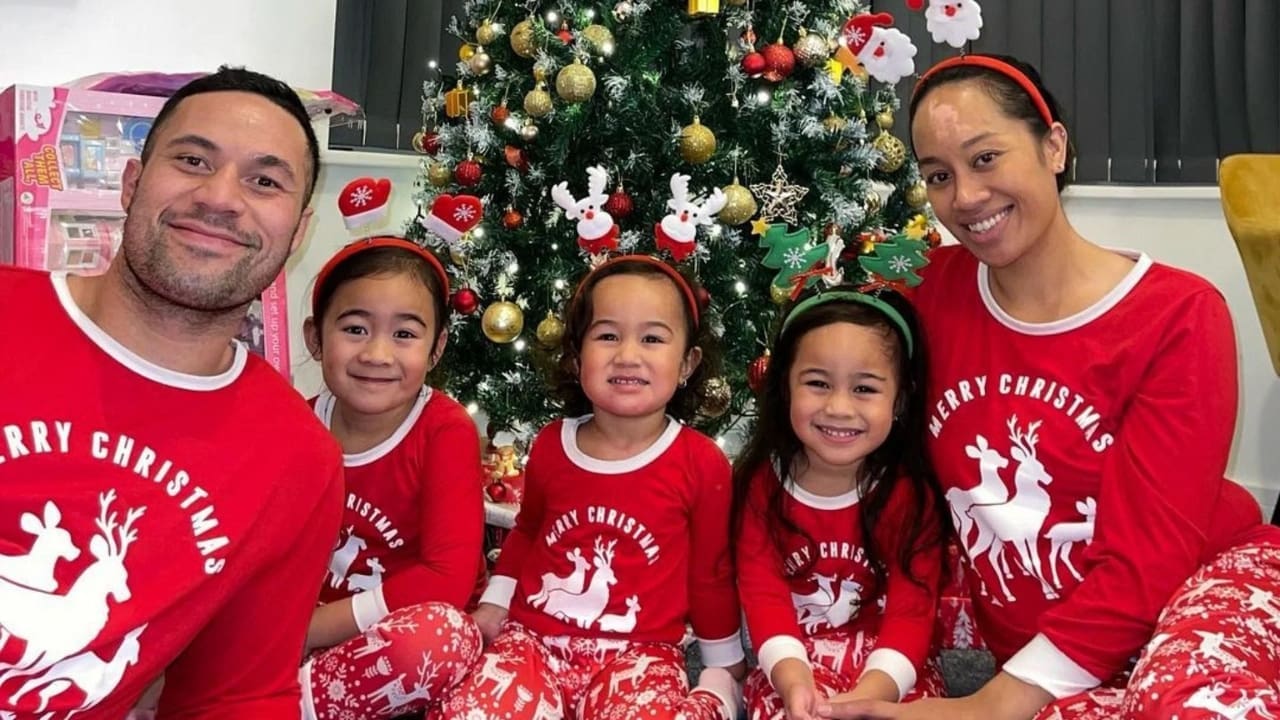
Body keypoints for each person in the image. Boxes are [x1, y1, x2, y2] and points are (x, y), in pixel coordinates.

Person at [820, 53, 1280, 720]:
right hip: (1036, 629)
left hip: (1191, 587)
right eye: (939, 176)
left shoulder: (1179, 315)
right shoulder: (925, 292)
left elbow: (1148, 561)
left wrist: (988, 705)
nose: (965, 197)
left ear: (1054, 147)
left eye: (986, 158)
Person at [0, 67, 344, 717]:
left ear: (297, 232)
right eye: (192, 160)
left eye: (264, 181)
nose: (220, 197)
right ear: (132, 183)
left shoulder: (297, 460)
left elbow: (235, 697)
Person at [443, 255, 746, 720]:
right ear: (576, 357)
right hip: (532, 642)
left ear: (687, 363)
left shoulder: (701, 462)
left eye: (652, 338)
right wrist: (494, 605)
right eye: (607, 336)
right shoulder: (552, 444)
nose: (628, 355)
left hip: (641, 654)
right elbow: (527, 532)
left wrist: (724, 659)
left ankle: (715, 698)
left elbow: (711, 571)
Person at [732, 285, 949, 720]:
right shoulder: (760, 487)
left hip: (891, 667)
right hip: (794, 661)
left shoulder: (909, 495)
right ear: (784, 386)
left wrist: (872, 693)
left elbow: (912, 612)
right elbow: (763, 595)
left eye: (864, 388)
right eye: (817, 384)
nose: (838, 407)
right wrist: (794, 681)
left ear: (900, 398)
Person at [298, 236, 485, 719]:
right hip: (306, 633)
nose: (378, 354)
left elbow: (447, 579)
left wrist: (305, 632)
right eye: (355, 329)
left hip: (397, 638)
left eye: (404, 334)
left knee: (445, 635)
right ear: (315, 338)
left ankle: (287, 704)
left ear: (437, 348)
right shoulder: (295, 426)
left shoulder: (444, 431)